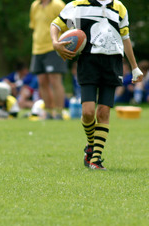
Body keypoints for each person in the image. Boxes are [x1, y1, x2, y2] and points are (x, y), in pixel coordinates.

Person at [51, 0, 143, 170]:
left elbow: (126, 38)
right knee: (87, 112)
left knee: (104, 111)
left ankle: (95, 160)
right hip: (88, 62)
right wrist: (55, 42)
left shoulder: (119, 7)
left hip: (112, 62)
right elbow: (56, 24)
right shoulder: (77, 5)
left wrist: (135, 67)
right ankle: (91, 145)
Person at [30, 0, 67, 120]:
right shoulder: (35, 5)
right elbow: (34, 26)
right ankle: (49, 112)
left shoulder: (58, 5)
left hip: (54, 47)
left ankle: (59, 112)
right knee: (42, 81)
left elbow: (68, 25)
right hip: (37, 49)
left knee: (54, 80)